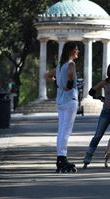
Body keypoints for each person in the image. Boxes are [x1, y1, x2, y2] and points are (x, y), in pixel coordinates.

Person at [45, 41, 79, 173]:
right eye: (76, 49)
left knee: (61, 130)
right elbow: (70, 77)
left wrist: (57, 84)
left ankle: (60, 158)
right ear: (70, 51)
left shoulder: (59, 66)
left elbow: (47, 75)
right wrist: (68, 85)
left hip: (60, 101)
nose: (77, 52)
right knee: (66, 130)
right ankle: (62, 157)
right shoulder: (71, 64)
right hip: (70, 99)